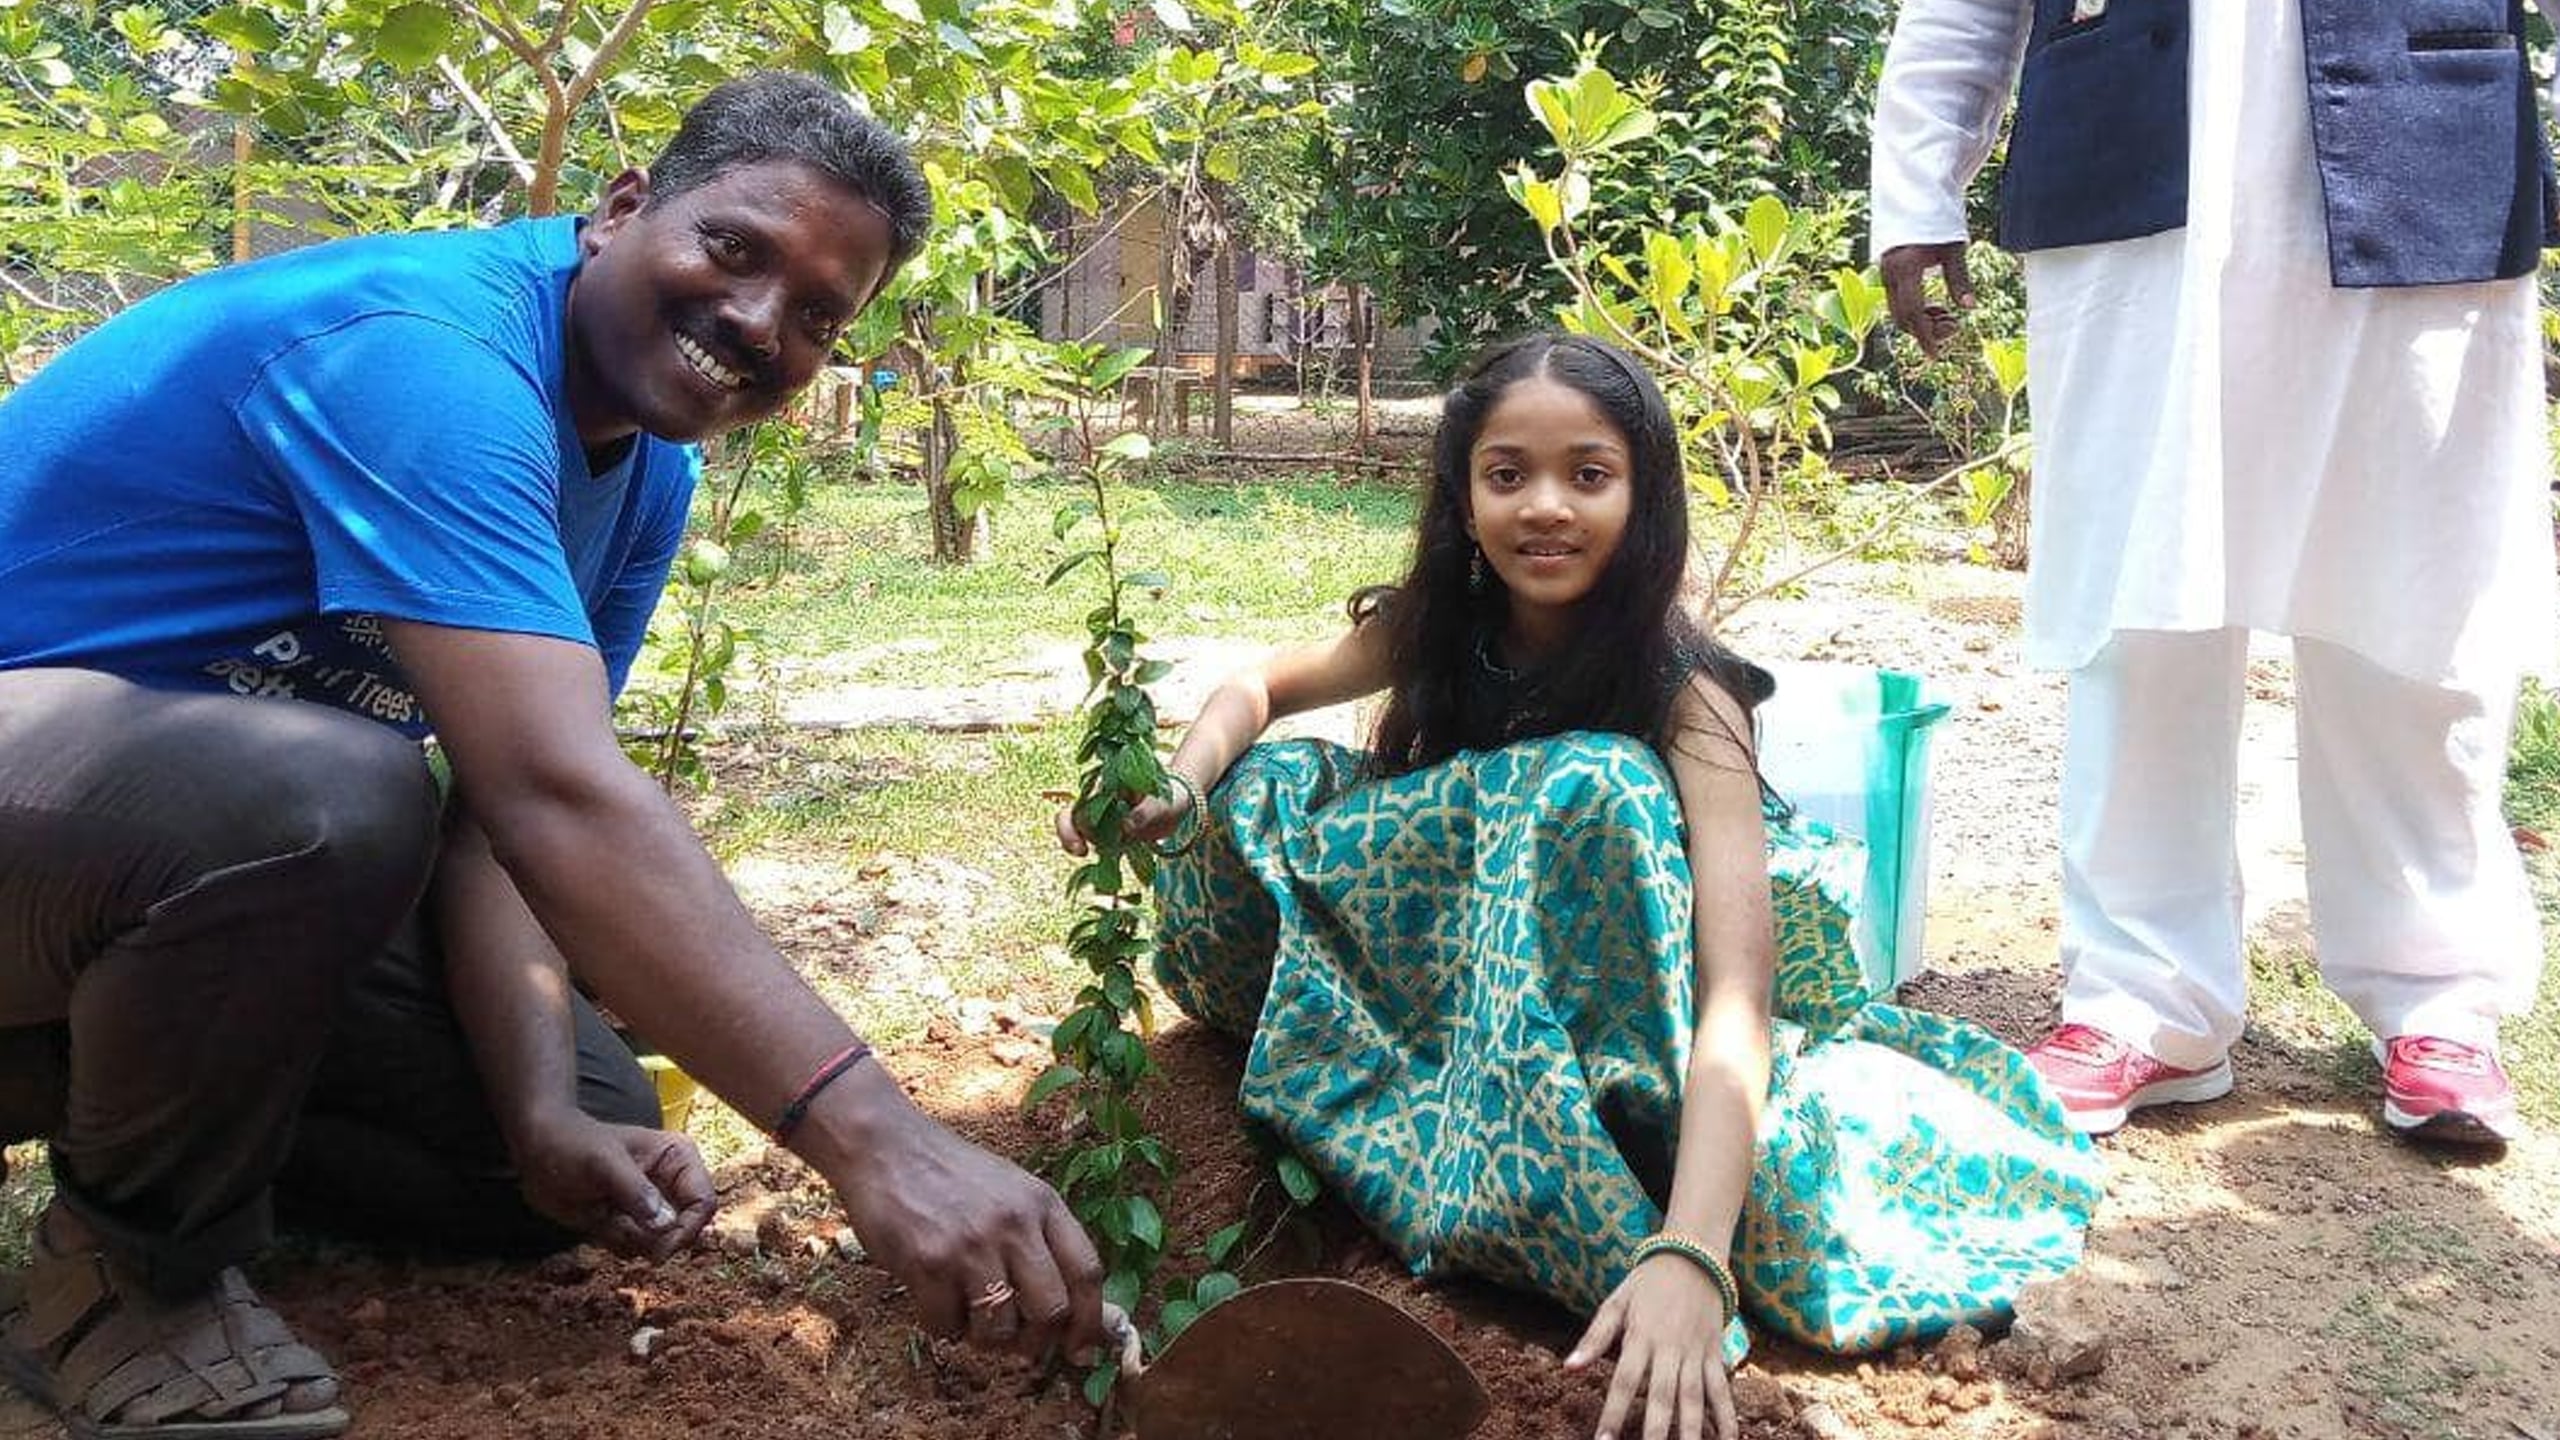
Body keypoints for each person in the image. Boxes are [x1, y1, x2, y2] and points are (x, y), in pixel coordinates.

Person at [0, 71, 1102, 1438]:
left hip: (142, 880)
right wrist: (881, 1142)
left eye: (821, 315)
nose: (760, 322)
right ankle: (129, 1277)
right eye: (733, 248)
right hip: (61, 816)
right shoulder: (426, 359)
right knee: (328, 796)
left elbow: (495, 819)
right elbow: (557, 797)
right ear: (621, 208)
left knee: (567, 1129)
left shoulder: (644, 468)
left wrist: (536, 1120)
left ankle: (147, 1115)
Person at [1057, 333, 2100, 1440]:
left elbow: (1735, 991)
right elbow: (1259, 686)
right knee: (1264, 785)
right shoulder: (1439, 630)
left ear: (1642, 497)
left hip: (1627, 1013)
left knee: (1588, 784)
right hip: (1457, 981)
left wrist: (1690, 1252)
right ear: (1464, 499)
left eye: (1589, 474)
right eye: (1507, 474)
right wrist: (1179, 781)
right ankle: (1408, 1073)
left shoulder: (1689, 694)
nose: (1545, 507)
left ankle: (1525, 1149)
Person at [1871, 1, 2555, 1145]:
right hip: (2129, 192)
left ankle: (2436, 996)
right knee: (2139, 604)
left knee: (2417, 600)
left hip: (2428, 158)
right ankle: (2143, 996)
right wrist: (1914, 188)